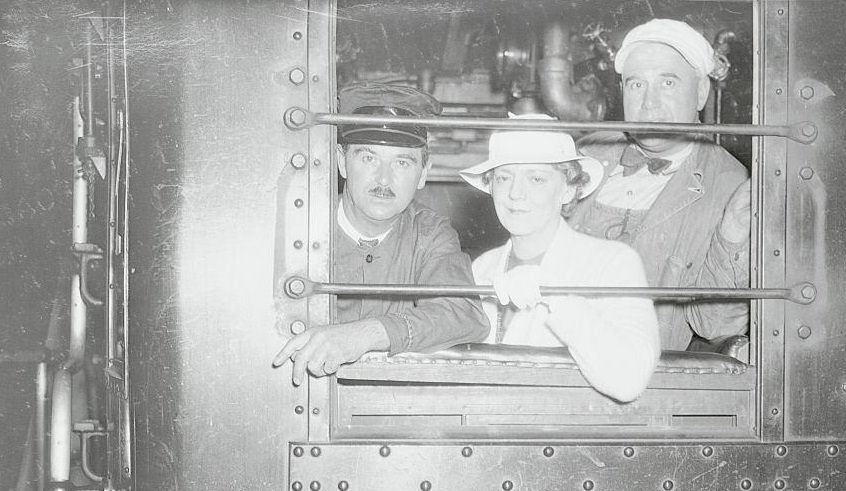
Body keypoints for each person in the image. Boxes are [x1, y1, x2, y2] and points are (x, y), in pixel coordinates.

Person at [273, 82, 489, 384]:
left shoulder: (429, 232)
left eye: (402, 162)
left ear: (423, 173)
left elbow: (465, 314)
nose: (384, 179)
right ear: (341, 162)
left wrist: (367, 334)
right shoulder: (299, 226)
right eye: (369, 158)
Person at [566, 18, 751, 352]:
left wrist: (733, 236)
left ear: (701, 92)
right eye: (637, 84)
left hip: (644, 373)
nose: (649, 102)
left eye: (667, 83)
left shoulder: (727, 184)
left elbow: (717, 326)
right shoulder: (588, 152)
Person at [461, 116, 660, 403]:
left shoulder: (614, 263)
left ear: (568, 189)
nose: (515, 193)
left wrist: (555, 295)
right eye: (504, 177)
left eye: (536, 179)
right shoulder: (481, 268)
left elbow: (630, 381)